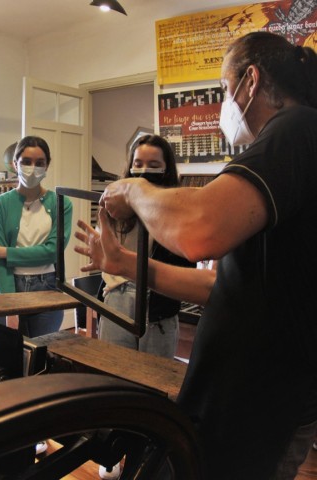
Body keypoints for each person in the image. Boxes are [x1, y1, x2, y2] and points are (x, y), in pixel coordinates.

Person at [74, 32, 317, 480]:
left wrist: (133, 188)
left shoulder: (297, 127)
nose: (224, 103)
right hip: (236, 393)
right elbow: (220, 285)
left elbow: (200, 231)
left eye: (224, 88)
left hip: (266, 399)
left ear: (250, 81)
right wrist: (124, 264)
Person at [99, 134, 195, 359]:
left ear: (166, 168)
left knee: (155, 372)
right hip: (118, 293)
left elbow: (185, 264)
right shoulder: (115, 203)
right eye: (138, 164)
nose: (143, 171)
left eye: (153, 165)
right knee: (113, 368)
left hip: (158, 300)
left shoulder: (178, 208)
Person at [0, 135, 72, 338]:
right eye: (26, 162)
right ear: (15, 164)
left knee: (42, 349)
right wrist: (10, 305)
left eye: (39, 163)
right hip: (8, 286)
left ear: (47, 165)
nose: (33, 168)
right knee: (9, 351)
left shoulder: (61, 204)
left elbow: (52, 252)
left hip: (48, 287)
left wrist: (5, 252)